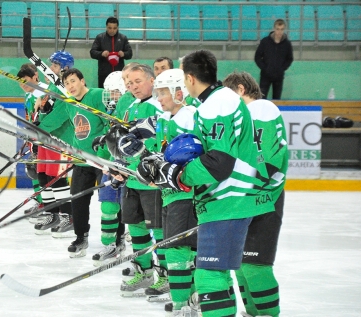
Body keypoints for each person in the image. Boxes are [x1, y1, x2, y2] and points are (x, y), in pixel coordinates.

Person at [138, 50, 275, 316]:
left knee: (210, 276)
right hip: (226, 203)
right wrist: (167, 165)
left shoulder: (218, 103)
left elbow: (219, 161)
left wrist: (177, 175)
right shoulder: (214, 102)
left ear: (189, 78)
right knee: (212, 275)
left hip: (231, 201)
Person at [118, 69, 201, 314]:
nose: (159, 97)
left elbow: (190, 157)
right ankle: (187, 299)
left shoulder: (190, 117)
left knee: (179, 251)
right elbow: (157, 147)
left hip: (185, 197)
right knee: (178, 248)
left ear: (180, 92)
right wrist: (138, 154)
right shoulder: (167, 118)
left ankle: (183, 303)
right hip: (170, 195)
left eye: (163, 92)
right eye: (158, 92)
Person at [223, 71, 288, 317]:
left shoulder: (260, 108)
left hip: (264, 199)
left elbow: (267, 161)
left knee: (255, 265)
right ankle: (252, 312)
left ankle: (269, 314)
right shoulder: (245, 117)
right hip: (247, 199)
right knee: (241, 265)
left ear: (241, 89)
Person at [104, 64, 166, 298]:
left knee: (158, 230)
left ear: (152, 80)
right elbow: (123, 142)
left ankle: (167, 274)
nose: (133, 87)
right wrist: (117, 165)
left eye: (138, 81)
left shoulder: (158, 107)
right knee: (136, 227)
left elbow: (155, 142)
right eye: (129, 83)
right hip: (132, 179)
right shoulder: (130, 105)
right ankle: (145, 271)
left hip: (151, 181)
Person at [37, 68, 108, 257]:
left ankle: (115, 240)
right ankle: (80, 237)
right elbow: (56, 122)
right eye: (66, 83)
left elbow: (109, 123)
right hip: (82, 160)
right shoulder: (68, 103)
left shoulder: (97, 95)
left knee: (110, 203)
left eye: (73, 81)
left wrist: (104, 151)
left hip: (103, 160)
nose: (70, 86)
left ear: (82, 81)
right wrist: (37, 129)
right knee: (77, 199)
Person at [16, 63, 73, 238]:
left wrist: (38, 128)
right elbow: (42, 115)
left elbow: (59, 116)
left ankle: (68, 216)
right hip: (45, 141)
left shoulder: (62, 93)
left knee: (57, 178)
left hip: (60, 141)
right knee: (43, 175)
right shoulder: (47, 93)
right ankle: (51, 213)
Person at [91, 71, 128, 266]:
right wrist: (103, 160)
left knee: (131, 209)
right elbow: (108, 141)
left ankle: (124, 239)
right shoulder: (110, 115)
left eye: (115, 92)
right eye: (109, 93)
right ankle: (109, 244)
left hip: (130, 166)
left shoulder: (132, 109)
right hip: (112, 165)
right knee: (107, 205)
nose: (111, 97)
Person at [254, 19, 293, 100]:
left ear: (284, 29)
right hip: (265, 76)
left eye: (282, 29)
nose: (279, 32)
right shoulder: (265, 42)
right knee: (262, 99)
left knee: (277, 100)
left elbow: (289, 59)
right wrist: (265, 68)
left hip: (279, 77)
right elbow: (257, 57)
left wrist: (282, 69)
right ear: (274, 29)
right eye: (278, 29)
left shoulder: (287, 44)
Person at [90, 16, 133, 88]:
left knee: (119, 94)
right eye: (110, 28)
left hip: (119, 74)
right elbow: (92, 52)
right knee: (103, 94)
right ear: (106, 27)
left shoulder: (123, 38)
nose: (112, 30)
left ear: (117, 28)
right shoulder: (100, 37)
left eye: (114, 28)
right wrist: (101, 54)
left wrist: (123, 54)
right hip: (103, 73)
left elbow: (130, 54)